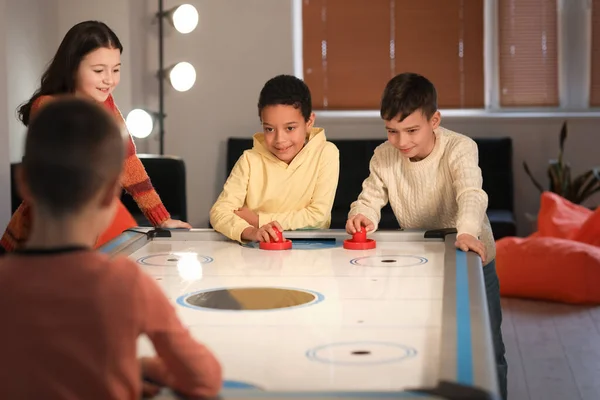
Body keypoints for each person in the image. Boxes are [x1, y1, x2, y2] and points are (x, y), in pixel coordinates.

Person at [0, 97, 222, 399]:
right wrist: (136, 367)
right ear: (110, 196)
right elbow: (205, 379)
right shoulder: (127, 285)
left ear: (23, 183)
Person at [346, 72, 508, 399]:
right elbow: (369, 198)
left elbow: (471, 194)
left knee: (487, 349)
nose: (401, 142)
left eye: (411, 130)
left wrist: (465, 232)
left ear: (434, 120)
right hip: (420, 263)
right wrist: (360, 215)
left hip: (471, 256)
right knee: (425, 346)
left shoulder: (460, 148)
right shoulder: (384, 156)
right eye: (391, 131)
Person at [0, 20, 190, 254]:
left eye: (116, 69)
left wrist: (160, 218)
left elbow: (129, 163)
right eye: (99, 70)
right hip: (37, 238)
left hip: (85, 235)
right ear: (72, 67)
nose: (109, 79)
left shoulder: (107, 106)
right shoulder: (48, 108)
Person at [209, 74, 340, 243]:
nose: (280, 140)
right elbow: (219, 211)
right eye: (270, 129)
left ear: (309, 122)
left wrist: (258, 220)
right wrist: (250, 231)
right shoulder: (249, 160)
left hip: (310, 252)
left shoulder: (326, 153)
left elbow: (318, 217)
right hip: (257, 252)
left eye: (290, 128)